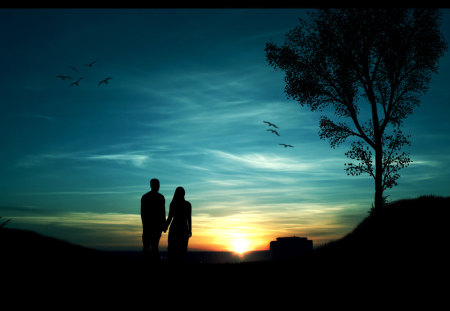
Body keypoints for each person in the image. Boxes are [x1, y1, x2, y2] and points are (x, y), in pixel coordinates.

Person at [164, 187, 192, 263]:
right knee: (182, 249)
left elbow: (169, 218)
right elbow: (189, 218)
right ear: (184, 194)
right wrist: (190, 230)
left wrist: (165, 227)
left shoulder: (173, 204)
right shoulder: (187, 204)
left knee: (174, 248)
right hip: (183, 227)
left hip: (176, 227)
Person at [141, 178, 166, 262]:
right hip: (154, 227)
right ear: (152, 185)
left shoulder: (145, 197)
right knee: (153, 248)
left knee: (148, 248)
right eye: (157, 184)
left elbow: (143, 214)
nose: (158, 186)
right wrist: (164, 225)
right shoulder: (160, 197)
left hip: (149, 227)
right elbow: (163, 213)